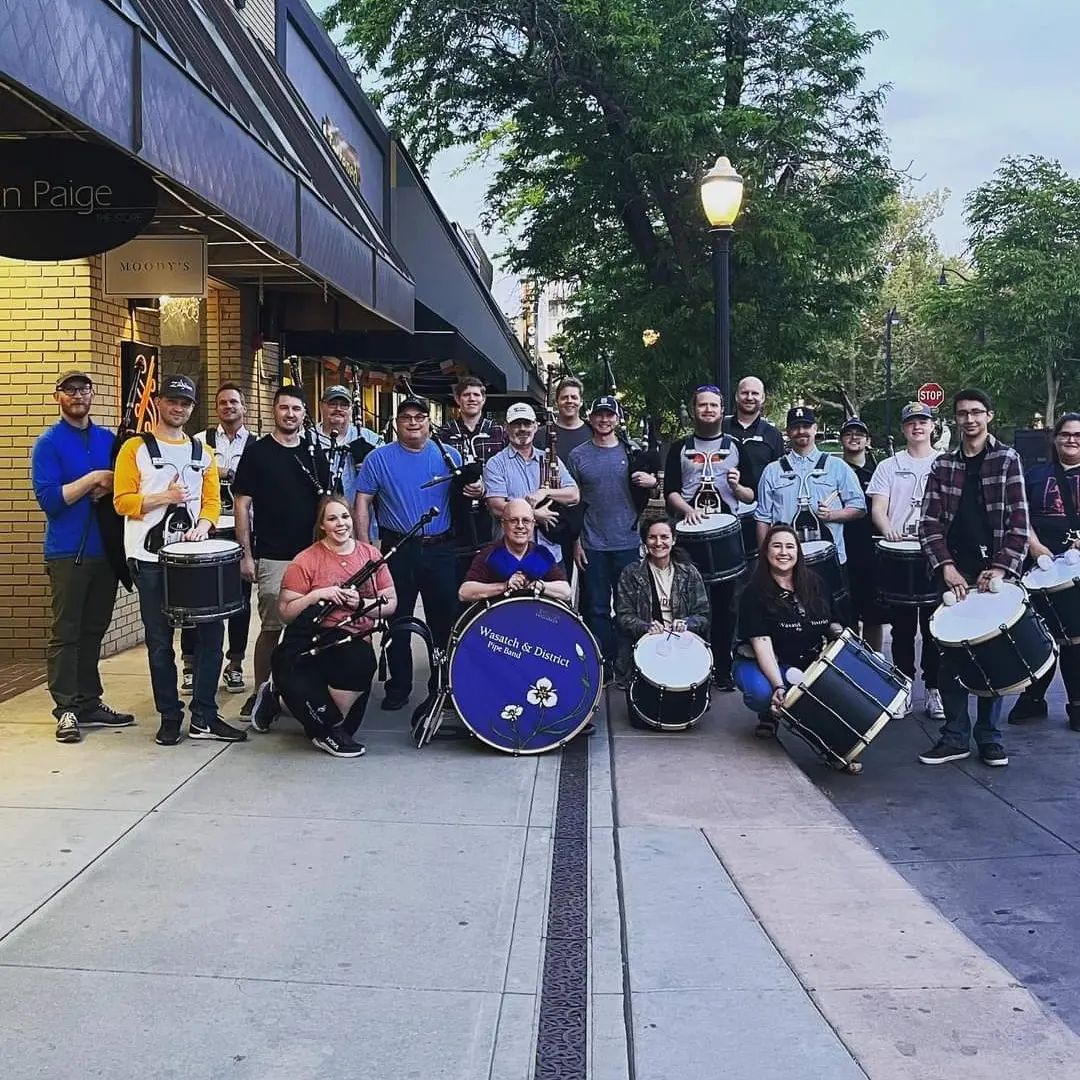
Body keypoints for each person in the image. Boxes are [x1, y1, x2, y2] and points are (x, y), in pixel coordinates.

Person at [112, 374, 246, 746]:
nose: (179, 408)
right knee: (159, 641)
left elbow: (210, 502)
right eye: (172, 401)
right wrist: (164, 497)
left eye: (186, 403)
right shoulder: (134, 448)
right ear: (157, 402)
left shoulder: (201, 452)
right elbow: (122, 501)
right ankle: (169, 715)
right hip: (149, 558)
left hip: (193, 559)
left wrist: (203, 526)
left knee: (211, 635)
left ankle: (204, 713)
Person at [917, 388, 1028, 768]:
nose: (970, 420)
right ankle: (954, 736)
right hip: (954, 571)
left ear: (989, 416)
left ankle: (989, 738)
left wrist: (1000, 568)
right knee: (949, 656)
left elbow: (1019, 522)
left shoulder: (1007, 460)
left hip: (993, 572)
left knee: (991, 654)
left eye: (976, 413)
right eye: (963, 414)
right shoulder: (943, 466)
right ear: (955, 419)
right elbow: (928, 524)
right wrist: (944, 566)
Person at [32, 370, 134, 744]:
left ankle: (89, 701)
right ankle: (66, 709)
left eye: (84, 389)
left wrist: (108, 485)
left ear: (93, 395)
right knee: (66, 633)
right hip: (67, 553)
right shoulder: (48, 443)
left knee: (94, 631)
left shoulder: (108, 439)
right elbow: (51, 501)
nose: (78, 395)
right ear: (58, 396)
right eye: (70, 390)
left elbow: (123, 487)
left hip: (104, 553)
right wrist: (93, 479)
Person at [356, 395, 476, 710]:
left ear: (428, 422)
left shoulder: (448, 456)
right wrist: (364, 546)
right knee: (398, 619)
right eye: (406, 417)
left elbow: (467, 495)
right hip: (399, 548)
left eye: (419, 417)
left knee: (444, 620)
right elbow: (363, 501)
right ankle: (398, 687)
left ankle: (443, 685)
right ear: (396, 423)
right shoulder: (378, 459)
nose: (413, 422)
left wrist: (478, 489)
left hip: (441, 549)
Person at [269, 495, 397, 757]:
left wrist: (361, 603)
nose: (340, 524)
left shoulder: (371, 555)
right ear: (322, 525)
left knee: (344, 725)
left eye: (345, 517)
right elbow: (286, 613)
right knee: (330, 722)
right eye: (332, 518)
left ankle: (282, 702)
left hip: (355, 637)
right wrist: (318, 595)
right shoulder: (305, 560)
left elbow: (391, 604)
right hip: (315, 639)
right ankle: (323, 725)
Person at [232, 385, 330, 719]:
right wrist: (246, 555)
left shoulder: (315, 454)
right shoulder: (257, 453)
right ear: (274, 410)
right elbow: (242, 505)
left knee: (314, 627)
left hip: (315, 555)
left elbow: (328, 504)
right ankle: (261, 693)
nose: (290, 414)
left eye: (296, 409)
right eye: (284, 407)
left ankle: (304, 691)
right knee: (272, 626)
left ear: (305, 413)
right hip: (273, 555)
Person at [664, 385, 754, 689]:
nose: (708, 411)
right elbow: (670, 491)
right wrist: (686, 510)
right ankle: (690, 669)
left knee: (726, 605)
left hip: (725, 536)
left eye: (714, 406)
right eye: (702, 405)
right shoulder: (680, 447)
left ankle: (723, 668)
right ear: (694, 410)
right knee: (687, 604)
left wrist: (738, 486)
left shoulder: (735, 445)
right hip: (690, 538)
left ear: (722, 409)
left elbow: (751, 494)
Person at [569, 396, 658, 683]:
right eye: (599, 415)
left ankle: (628, 663)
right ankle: (601, 663)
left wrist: (652, 482)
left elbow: (653, 489)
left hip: (628, 542)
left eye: (610, 415)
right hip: (593, 543)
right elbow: (571, 503)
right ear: (590, 418)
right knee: (595, 607)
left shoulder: (633, 453)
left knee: (629, 607)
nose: (604, 420)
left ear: (618, 419)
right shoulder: (578, 456)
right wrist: (576, 541)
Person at [867, 401, 943, 720]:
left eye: (923, 421)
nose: (917, 427)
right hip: (898, 555)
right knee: (901, 629)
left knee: (934, 628)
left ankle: (934, 690)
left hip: (935, 555)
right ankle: (902, 689)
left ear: (932, 426)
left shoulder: (945, 462)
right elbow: (878, 510)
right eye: (911, 422)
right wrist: (889, 530)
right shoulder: (888, 465)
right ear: (903, 428)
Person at [1007, 411, 1080, 730]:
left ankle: (1077, 703)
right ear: (1054, 438)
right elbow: (1020, 516)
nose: (1072, 440)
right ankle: (1033, 698)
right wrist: (1035, 547)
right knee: (1040, 635)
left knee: (1075, 639)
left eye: (1078, 435)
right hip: (1039, 566)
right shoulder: (1034, 474)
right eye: (1066, 434)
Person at [733, 524, 840, 739]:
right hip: (760, 659)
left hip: (804, 659)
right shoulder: (753, 592)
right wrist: (778, 686)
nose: (783, 552)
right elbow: (762, 644)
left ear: (798, 552)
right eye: (777, 546)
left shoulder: (815, 582)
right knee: (763, 693)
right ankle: (768, 713)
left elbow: (834, 624)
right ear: (766, 551)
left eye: (790, 547)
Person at [180, 382, 253, 696]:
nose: (228, 407)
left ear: (244, 407)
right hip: (204, 530)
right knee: (194, 602)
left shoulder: (257, 444)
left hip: (241, 531)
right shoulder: (199, 442)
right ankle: (190, 665)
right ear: (216, 408)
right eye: (222, 402)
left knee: (240, 602)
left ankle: (234, 664)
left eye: (234, 402)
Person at [614, 517, 711, 717]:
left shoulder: (689, 573)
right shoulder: (631, 574)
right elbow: (623, 616)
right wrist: (645, 626)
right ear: (644, 541)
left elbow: (703, 615)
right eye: (652, 537)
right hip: (646, 644)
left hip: (681, 643)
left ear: (674, 540)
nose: (659, 543)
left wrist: (687, 624)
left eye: (664, 537)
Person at [755, 406, 866, 564]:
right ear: (787, 431)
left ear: (815, 428)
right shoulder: (772, 471)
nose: (801, 431)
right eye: (795, 427)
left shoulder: (836, 466)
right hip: (785, 560)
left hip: (828, 557)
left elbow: (859, 507)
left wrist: (831, 515)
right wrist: (764, 559)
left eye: (806, 426)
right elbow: (763, 518)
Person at [483, 401, 579, 569]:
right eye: (516, 424)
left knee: (557, 595)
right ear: (506, 427)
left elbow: (574, 495)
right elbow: (496, 507)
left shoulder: (550, 460)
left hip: (549, 553)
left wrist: (545, 492)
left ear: (535, 427)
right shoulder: (496, 463)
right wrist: (534, 515)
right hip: (510, 557)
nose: (522, 429)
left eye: (527, 423)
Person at [437, 376, 505, 578]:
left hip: (490, 512)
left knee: (490, 568)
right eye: (466, 395)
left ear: (483, 399)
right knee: (457, 571)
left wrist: (486, 486)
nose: (472, 399)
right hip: (455, 513)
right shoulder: (444, 434)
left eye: (476, 394)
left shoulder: (498, 432)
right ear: (458, 399)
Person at [459, 498, 572, 604]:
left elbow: (566, 591)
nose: (520, 526)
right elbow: (464, 592)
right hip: (498, 620)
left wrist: (540, 586)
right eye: (514, 521)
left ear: (533, 525)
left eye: (526, 521)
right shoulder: (489, 554)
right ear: (503, 524)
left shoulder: (541, 554)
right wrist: (504, 586)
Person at [838, 416, 887, 651]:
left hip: (872, 552)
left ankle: (875, 661)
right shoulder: (833, 471)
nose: (854, 438)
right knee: (845, 616)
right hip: (842, 550)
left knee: (872, 615)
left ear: (868, 441)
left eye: (859, 434)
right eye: (848, 434)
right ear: (841, 440)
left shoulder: (880, 471)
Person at [315, 383, 382, 507]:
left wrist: (372, 470)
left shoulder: (371, 439)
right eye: (332, 404)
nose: (338, 409)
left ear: (351, 409)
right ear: (321, 406)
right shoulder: (306, 439)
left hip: (362, 520)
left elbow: (388, 476)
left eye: (344, 405)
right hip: (320, 521)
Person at [721, 375, 785, 495]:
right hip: (722, 505)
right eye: (744, 393)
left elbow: (779, 477)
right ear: (736, 396)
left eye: (755, 393)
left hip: (759, 508)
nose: (749, 397)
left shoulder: (773, 434)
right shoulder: (720, 428)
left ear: (763, 397)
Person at [536, 375, 595, 459]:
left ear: (581, 401)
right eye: (564, 398)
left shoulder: (593, 432)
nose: (569, 401)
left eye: (574, 397)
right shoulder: (541, 434)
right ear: (556, 402)